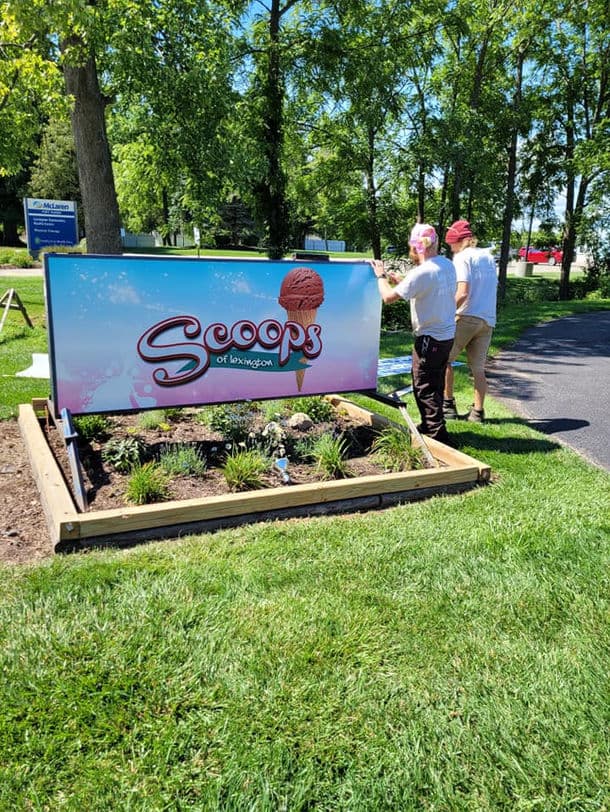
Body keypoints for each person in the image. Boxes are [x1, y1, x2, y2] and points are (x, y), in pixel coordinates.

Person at [371, 223, 456, 445]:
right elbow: (428, 291)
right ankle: (430, 425)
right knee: (435, 382)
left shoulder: (421, 272)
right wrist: (402, 282)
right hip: (446, 336)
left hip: (429, 338)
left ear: (415, 247)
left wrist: (380, 276)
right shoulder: (447, 265)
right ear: (436, 242)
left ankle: (438, 437)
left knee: (424, 386)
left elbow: (388, 298)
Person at [442, 219, 498, 423]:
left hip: (466, 316)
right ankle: (478, 413)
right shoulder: (487, 256)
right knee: (478, 368)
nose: (451, 248)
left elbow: (463, 292)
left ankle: (448, 406)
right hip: (488, 319)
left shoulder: (461, 258)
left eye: (451, 245)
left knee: (444, 360)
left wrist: (445, 311)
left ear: (458, 241)